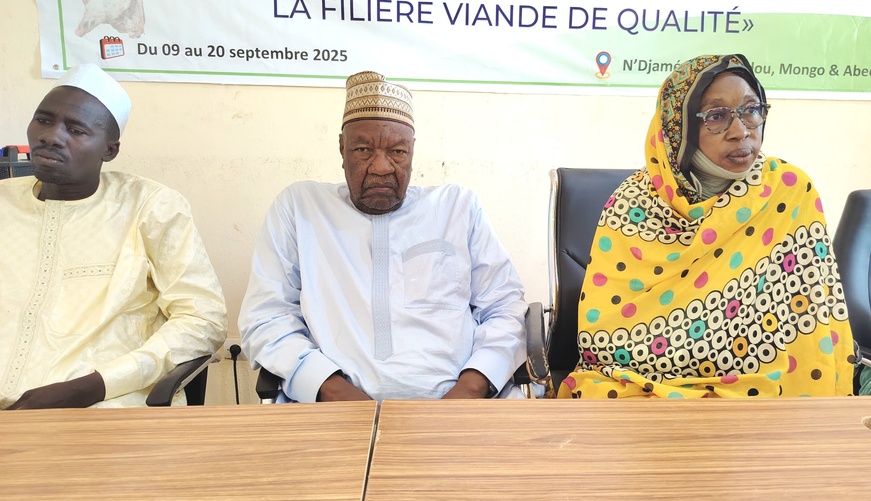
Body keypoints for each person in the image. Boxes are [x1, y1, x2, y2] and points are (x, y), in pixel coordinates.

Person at [557, 54, 855, 399]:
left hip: (764, 392)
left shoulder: (786, 190)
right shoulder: (631, 204)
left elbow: (816, 316)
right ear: (678, 127)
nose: (741, 131)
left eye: (751, 110)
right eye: (716, 117)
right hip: (640, 391)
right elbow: (604, 339)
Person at [239, 70, 527, 402]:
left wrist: (472, 387)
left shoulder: (457, 207)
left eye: (397, 152)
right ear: (342, 147)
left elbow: (506, 307)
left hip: (460, 405)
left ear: (413, 151)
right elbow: (266, 317)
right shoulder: (300, 207)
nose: (381, 167)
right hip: (331, 408)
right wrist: (332, 391)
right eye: (363, 150)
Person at [0, 63, 227, 409]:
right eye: (44, 120)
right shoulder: (5, 201)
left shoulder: (151, 206)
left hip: (106, 408)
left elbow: (203, 320)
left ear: (110, 150)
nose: (51, 135)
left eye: (75, 129)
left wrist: (91, 387)